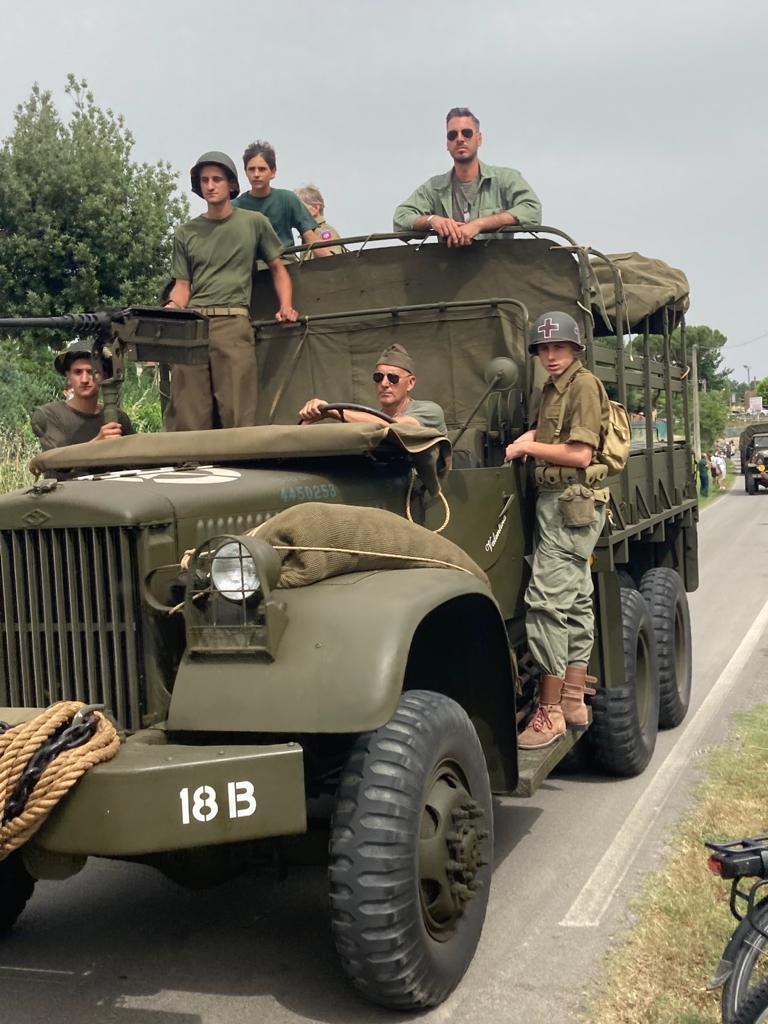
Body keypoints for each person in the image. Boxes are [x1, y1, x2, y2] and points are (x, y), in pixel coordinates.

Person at [504, 312, 609, 749]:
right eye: (544, 349)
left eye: (558, 347)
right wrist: (533, 435)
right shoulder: (555, 387)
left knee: (545, 604)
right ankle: (571, 699)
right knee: (577, 599)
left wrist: (529, 446)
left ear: (575, 349)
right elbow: (556, 434)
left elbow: (581, 453)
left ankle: (549, 714)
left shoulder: (582, 384)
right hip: (561, 504)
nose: (550, 355)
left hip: (570, 502)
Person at [164, 150, 298, 431]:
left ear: (232, 185)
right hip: (193, 326)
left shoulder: (253, 222)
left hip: (233, 322)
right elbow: (182, 286)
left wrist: (286, 305)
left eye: (217, 179)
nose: (210, 186)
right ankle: (191, 471)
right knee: (189, 414)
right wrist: (172, 310)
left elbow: (278, 267)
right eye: (204, 180)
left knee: (238, 412)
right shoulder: (186, 232)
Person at [393, 107, 542, 245]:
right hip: (449, 270)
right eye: (452, 135)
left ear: (479, 139)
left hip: (497, 270)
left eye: (467, 133)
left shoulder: (506, 179)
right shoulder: (434, 188)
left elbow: (531, 210)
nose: (460, 139)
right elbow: (400, 219)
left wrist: (479, 225)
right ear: (447, 144)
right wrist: (432, 220)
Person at [298, 343, 447, 432]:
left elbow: (395, 428)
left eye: (393, 378)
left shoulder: (430, 411)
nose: (384, 383)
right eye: (378, 377)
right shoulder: (369, 419)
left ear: (410, 383)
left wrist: (333, 412)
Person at [31, 340, 134, 451]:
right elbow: (56, 462)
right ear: (68, 375)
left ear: (104, 376)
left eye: (92, 372)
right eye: (78, 372)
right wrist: (97, 443)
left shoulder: (119, 418)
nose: (84, 380)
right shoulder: (50, 415)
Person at [233, 142, 332, 256]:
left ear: (273, 172)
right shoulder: (236, 206)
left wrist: (337, 264)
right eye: (251, 169)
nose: (256, 174)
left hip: (285, 264)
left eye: (262, 169)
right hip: (251, 269)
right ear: (245, 172)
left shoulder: (287, 199)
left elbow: (311, 239)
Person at [295, 184, 346, 256]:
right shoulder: (309, 234)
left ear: (315, 208)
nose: (295, 213)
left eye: (299, 208)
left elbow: (332, 261)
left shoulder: (324, 232)